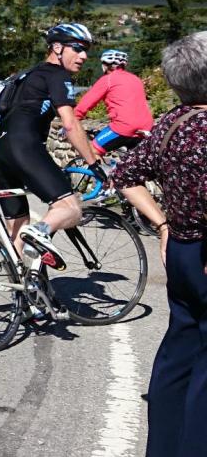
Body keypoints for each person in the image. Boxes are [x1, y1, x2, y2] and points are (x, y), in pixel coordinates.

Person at [113, 32, 207, 456]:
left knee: (180, 351)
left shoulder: (171, 124)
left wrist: (164, 223)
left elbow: (125, 175)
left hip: (183, 252)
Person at [0, 23, 106, 265]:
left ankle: (23, 294)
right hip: (25, 148)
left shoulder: (26, 75)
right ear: (57, 47)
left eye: (86, 51)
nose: (84, 56)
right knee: (70, 209)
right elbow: (70, 124)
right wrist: (94, 163)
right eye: (78, 49)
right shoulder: (56, 74)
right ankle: (40, 233)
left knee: (17, 229)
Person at [74, 49, 154, 155]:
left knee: (91, 151)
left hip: (123, 127)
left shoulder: (108, 79)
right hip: (146, 127)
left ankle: (101, 171)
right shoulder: (136, 79)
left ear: (105, 65)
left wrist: (72, 120)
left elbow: (86, 103)